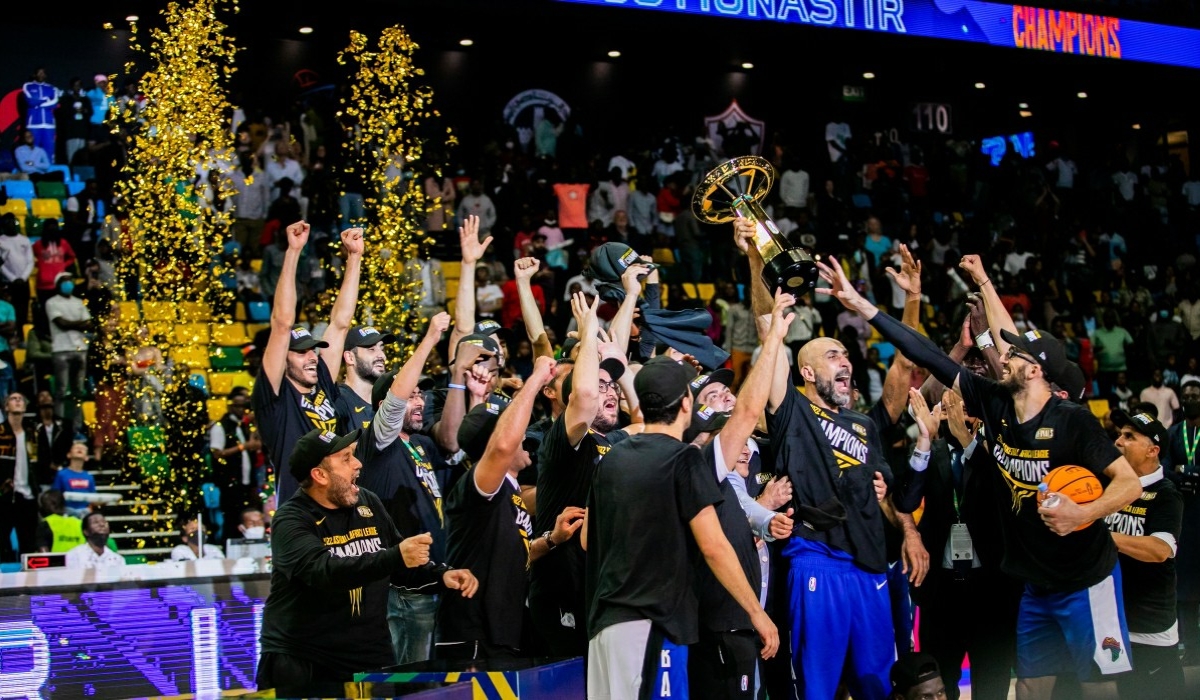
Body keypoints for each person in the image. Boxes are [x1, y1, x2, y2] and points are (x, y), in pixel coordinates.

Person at [821, 251, 1143, 699]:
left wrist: (1083, 511)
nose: (1000, 357)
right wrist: (861, 304)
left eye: (1012, 355)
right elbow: (925, 353)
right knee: (1029, 687)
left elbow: (1127, 483)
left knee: (1097, 686)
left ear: (1035, 369)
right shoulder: (993, 402)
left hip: (1085, 578)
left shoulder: (1073, 421)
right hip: (1036, 583)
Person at [732, 220, 926, 700]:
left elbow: (905, 365)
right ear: (806, 370)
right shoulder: (793, 411)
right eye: (834, 355)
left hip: (870, 568)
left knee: (878, 685)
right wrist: (756, 260)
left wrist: (913, 300)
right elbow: (765, 331)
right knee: (816, 688)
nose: (846, 362)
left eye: (847, 356)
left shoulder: (863, 423)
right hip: (817, 559)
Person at [584, 356, 779, 700]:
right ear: (687, 403)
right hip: (654, 625)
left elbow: (588, 539)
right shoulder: (683, 458)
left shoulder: (611, 458)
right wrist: (757, 613)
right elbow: (714, 547)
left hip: (605, 626)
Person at [257, 428, 477, 697]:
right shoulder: (291, 520)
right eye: (346, 458)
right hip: (306, 659)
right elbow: (323, 571)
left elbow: (397, 566)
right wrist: (396, 555)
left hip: (369, 656)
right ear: (320, 475)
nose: (358, 463)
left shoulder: (368, 502)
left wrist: (441, 575)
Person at [437, 356, 578, 661]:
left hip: (504, 629)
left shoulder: (510, 492)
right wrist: (536, 379)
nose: (524, 435)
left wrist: (552, 539)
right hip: (473, 633)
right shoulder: (478, 487)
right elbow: (501, 446)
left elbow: (516, 552)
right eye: (515, 429)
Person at [529, 289, 642, 656]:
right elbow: (585, 396)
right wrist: (589, 330)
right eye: (601, 386)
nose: (607, 393)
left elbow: (645, 419)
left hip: (600, 588)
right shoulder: (563, 440)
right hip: (562, 591)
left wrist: (619, 370)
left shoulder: (617, 440)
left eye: (612, 389)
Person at [251, 221, 363, 504]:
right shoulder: (275, 399)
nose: (312, 357)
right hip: (303, 513)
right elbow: (282, 323)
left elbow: (339, 324)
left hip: (341, 504)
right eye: (301, 352)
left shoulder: (321, 381)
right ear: (282, 359)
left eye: (313, 350)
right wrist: (293, 252)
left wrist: (354, 257)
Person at [1108, 410, 1185, 698]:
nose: (1118, 441)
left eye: (1129, 436)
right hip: (1112, 621)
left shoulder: (1166, 494)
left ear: (1152, 450)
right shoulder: (1110, 484)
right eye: (1119, 434)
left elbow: (1160, 550)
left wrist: (1107, 537)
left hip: (1150, 628)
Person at [1166, 379, 1200, 665]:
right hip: (1185, 519)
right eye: (1186, 396)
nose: (1190, 399)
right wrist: (1186, 475)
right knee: (1186, 587)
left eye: (1195, 395)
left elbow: (1178, 468)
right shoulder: (1174, 432)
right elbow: (1165, 469)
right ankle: (1189, 646)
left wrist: (1186, 469)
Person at [210, 392, 261, 541]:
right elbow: (217, 453)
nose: (241, 410)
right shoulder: (220, 426)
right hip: (229, 483)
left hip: (245, 482)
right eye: (237, 406)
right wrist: (243, 447)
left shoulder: (242, 426)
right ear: (230, 406)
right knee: (231, 519)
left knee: (246, 519)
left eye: (244, 406)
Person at [335, 325, 396, 432]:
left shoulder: (388, 402)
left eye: (382, 348)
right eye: (371, 349)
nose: (382, 356)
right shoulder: (338, 401)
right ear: (350, 357)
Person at [0, 392, 37, 561]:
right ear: (6, 406)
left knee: (28, 542)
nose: (17, 401)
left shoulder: (32, 433)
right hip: (5, 495)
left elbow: (40, 461)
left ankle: (28, 583)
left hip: (28, 495)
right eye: (13, 399)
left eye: (20, 399)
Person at [51, 441, 96, 517]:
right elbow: (55, 494)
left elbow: (93, 497)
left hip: (84, 512)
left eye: (83, 449)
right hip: (66, 512)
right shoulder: (61, 474)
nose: (80, 449)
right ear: (69, 454)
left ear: (87, 457)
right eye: (76, 447)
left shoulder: (89, 477)